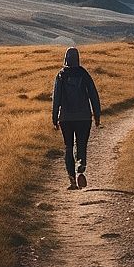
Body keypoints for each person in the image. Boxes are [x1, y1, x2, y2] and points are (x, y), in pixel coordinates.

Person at [51, 46, 101, 189]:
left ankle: (72, 179)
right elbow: (93, 95)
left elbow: (56, 99)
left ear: (66, 58)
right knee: (81, 144)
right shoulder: (84, 74)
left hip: (66, 118)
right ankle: (81, 166)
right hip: (84, 117)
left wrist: (54, 118)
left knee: (68, 147)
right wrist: (97, 115)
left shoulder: (61, 75)